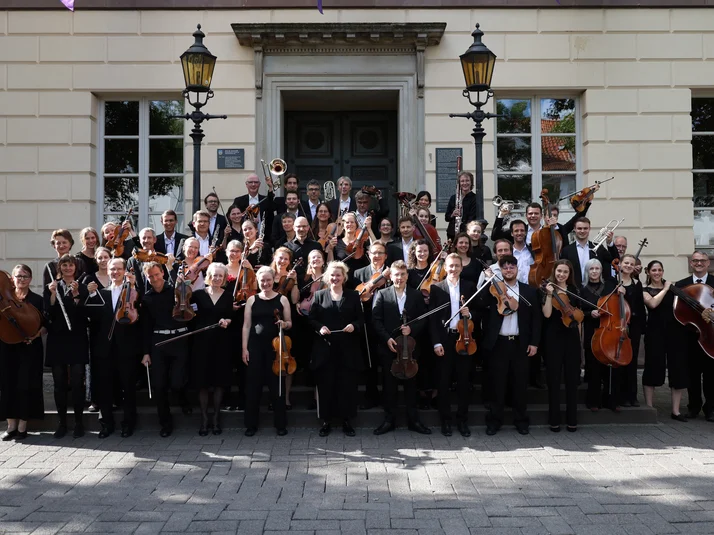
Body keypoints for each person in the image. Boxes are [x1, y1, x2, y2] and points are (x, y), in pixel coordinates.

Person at [481, 255, 541, 436]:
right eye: (505, 267)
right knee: (497, 385)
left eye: (511, 267)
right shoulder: (493, 289)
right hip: (499, 343)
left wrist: (534, 343)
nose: (508, 270)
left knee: (520, 385)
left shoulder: (528, 292)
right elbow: (480, 303)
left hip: (520, 343)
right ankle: (494, 421)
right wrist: (487, 282)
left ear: (517, 269)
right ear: (500, 270)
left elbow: (536, 320)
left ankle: (521, 420)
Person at [372, 260, 431, 435]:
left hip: (410, 348)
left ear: (407, 275)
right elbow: (376, 320)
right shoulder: (382, 294)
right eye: (396, 274)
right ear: (391, 276)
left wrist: (412, 329)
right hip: (389, 348)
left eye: (403, 274)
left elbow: (423, 319)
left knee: (412, 386)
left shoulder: (416, 295)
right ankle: (389, 420)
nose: (399, 278)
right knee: (389, 386)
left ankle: (414, 421)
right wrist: (387, 339)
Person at [86, 257, 141, 438]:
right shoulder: (101, 293)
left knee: (128, 387)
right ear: (108, 271)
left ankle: (128, 423)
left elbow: (140, 314)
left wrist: (133, 286)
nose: (115, 272)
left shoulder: (132, 292)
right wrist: (91, 296)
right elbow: (92, 319)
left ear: (124, 271)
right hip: (104, 349)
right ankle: (106, 424)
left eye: (118, 269)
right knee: (104, 387)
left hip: (126, 348)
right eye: (112, 269)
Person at [309, 261, 364, 437]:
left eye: (338, 275)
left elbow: (361, 320)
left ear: (344, 277)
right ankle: (326, 421)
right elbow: (311, 320)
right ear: (327, 277)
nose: (335, 278)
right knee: (326, 385)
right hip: (325, 349)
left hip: (347, 348)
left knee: (346, 385)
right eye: (332, 275)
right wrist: (320, 328)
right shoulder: (319, 295)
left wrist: (354, 326)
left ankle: (347, 420)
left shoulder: (353, 296)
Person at [429, 253, 478, 437]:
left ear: (461, 267)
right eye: (450, 266)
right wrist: (436, 342)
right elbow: (433, 319)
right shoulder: (437, 288)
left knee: (464, 382)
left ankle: (462, 421)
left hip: (465, 339)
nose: (454, 269)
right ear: (445, 267)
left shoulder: (469, 286)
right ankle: (446, 421)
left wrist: (470, 314)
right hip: (446, 339)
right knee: (443, 382)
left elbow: (481, 313)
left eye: (457, 266)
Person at [140, 261, 190, 437]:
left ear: (162, 272)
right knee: (159, 385)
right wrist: (146, 352)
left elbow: (189, 310)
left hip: (179, 339)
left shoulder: (177, 290)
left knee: (177, 381)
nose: (154, 278)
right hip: (158, 342)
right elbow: (145, 327)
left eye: (156, 274)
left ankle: (183, 398)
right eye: (150, 276)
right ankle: (165, 423)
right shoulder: (146, 298)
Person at [44, 254, 89, 439]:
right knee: (59, 383)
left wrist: (78, 295)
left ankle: (79, 422)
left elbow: (85, 314)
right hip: (57, 339)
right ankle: (62, 423)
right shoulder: (52, 287)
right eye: (64, 265)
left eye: (71, 265)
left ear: (75, 267)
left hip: (77, 338)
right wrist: (53, 295)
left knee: (78, 382)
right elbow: (48, 313)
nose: (68, 268)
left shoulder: (82, 286)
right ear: (59, 268)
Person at [242, 266, 291, 436]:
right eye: (262, 280)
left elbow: (290, 322)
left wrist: (284, 324)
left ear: (274, 280)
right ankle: (251, 425)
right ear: (258, 281)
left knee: (276, 386)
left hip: (276, 348)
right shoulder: (252, 300)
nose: (265, 283)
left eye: (268, 280)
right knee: (253, 386)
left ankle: (281, 424)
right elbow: (247, 325)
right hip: (255, 347)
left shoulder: (282, 299)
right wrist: (244, 349)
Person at [0, 265, 46, 441]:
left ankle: (23, 426)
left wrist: (35, 335)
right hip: (7, 345)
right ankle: (11, 425)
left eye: (25, 276)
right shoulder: (4, 299)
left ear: (31, 279)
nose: (22, 279)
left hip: (29, 347)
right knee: (8, 383)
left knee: (26, 384)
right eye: (18, 276)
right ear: (12, 279)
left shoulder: (37, 300)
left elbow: (45, 323)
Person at [190, 263, 234, 436]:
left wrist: (228, 321)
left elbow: (231, 317)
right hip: (201, 342)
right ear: (208, 276)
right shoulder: (198, 295)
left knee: (218, 382)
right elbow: (186, 311)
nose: (217, 278)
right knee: (202, 382)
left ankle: (216, 419)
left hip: (221, 343)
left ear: (224, 278)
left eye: (220, 276)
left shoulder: (228, 296)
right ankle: (204, 419)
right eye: (214, 275)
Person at [642, 260, 688, 421]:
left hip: (675, 333)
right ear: (648, 272)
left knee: (677, 369)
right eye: (654, 270)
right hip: (655, 333)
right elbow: (653, 304)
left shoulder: (674, 289)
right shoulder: (645, 290)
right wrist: (667, 288)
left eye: (660, 270)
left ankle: (675, 411)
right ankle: (649, 408)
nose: (657, 273)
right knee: (653, 367)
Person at [541, 259, 582, 432]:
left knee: (572, 380)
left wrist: (580, 341)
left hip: (571, 337)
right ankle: (554, 419)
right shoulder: (546, 289)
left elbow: (579, 318)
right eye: (559, 271)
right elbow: (547, 313)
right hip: (553, 338)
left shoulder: (574, 291)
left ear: (569, 274)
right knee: (554, 380)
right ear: (554, 272)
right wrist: (550, 295)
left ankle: (572, 419)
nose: (561, 274)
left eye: (565, 272)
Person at [676, 251, 714, 421]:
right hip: (690, 335)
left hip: (711, 334)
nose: (699, 263)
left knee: (711, 374)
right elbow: (678, 311)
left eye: (702, 261)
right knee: (692, 373)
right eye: (696, 261)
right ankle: (693, 407)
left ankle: (711, 408)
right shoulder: (681, 285)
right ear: (691, 263)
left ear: (708, 263)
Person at [354, 242, 392, 409]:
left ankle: (387, 397)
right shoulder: (359, 273)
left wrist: (387, 278)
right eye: (373, 253)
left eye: (380, 253)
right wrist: (370, 286)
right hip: (367, 320)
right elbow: (356, 297)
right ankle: (371, 396)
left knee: (386, 360)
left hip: (386, 321)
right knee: (369, 360)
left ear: (385, 256)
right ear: (368, 254)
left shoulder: (392, 272)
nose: (376, 256)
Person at [579, 258, 617, 411]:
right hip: (592, 331)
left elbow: (616, 306)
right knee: (593, 367)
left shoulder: (609, 286)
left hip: (609, 330)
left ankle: (611, 400)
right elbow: (579, 312)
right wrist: (589, 313)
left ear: (601, 271)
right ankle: (593, 401)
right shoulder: (582, 290)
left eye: (597, 268)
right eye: (591, 269)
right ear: (587, 272)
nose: (594, 271)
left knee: (609, 367)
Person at [407, 240, 436, 409]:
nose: (422, 254)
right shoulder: (409, 273)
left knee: (431, 358)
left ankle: (433, 393)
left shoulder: (436, 270)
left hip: (433, 317)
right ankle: (420, 393)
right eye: (419, 251)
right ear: (414, 253)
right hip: (416, 319)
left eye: (425, 251)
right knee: (418, 356)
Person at [271, 247, 301, 409]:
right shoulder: (267, 274)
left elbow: (295, 299)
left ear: (290, 262)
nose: (282, 261)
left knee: (287, 359)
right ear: (275, 257)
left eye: (286, 259)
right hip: (270, 320)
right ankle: (273, 396)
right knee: (271, 359)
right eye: (280, 258)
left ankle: (286, 397)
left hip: (287, 320)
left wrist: (294, 282)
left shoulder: (291, 277)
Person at [617, 253, 646, 408]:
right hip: (618, 324)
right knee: (620, 359)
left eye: (631, 264)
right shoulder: (613, 282)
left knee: (632, 359)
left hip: (633, 325)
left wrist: (641, 327)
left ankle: (632, 396)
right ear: (620, 264)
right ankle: (621, 396)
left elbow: (640, 306)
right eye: (625, 263)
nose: (628, 265)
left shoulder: (636, 283)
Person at [560, 217, 618, 286]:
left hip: (595, 291)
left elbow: (615, 261)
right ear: (574, 229)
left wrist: (610, 243)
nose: (582, 231)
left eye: (585, 228)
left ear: (589, 229)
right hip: (574, 291)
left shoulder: (598, 248)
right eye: (579, 228)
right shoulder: (566, 250)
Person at [445, 171, 479, 240]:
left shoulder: (475, 198)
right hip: (452, 234)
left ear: (471, 182)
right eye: (462, 181)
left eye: (467, 181)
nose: (465, 183)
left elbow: (471, 218)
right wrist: (452, 214)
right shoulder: (453, 198)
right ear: (459, 183)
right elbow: (447, 217)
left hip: (467, 234)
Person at [334, 212, 369, 276]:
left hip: (360, 277)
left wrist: (369, 228)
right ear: (343, 226)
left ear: (356, 225)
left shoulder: (362, 242)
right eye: (347, 222)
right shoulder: (337, 243)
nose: (350, 224)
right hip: (342, 278)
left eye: (352, 222)